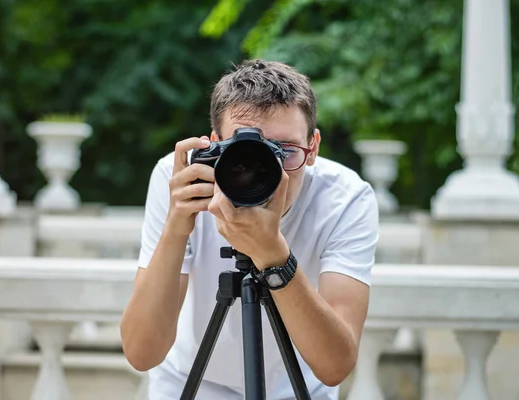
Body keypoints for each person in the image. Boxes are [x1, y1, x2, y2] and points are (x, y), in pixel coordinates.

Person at [120, 59, 379, 400]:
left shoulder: (346, 197)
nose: (268, 173)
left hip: (296, 388)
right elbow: (142, 352)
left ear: (313, 147)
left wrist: (275, 257)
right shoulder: (180, 178)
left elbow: (335, 366)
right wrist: (175, 230)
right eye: (245, 155)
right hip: (190, 384)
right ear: (214, 145)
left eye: (285, 151)